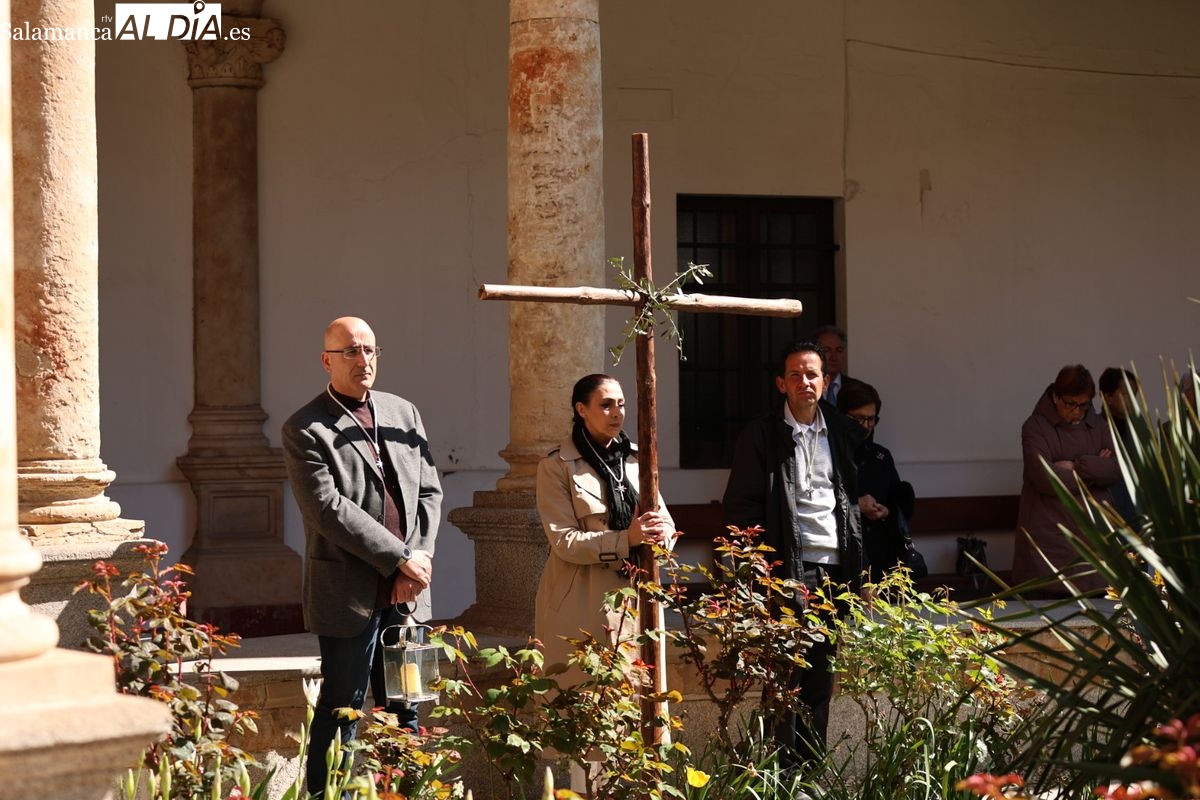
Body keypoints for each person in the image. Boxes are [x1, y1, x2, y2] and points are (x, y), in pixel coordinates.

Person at [282, 316, 442, 797]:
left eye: (370, 350)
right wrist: (399, 558)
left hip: (408, 590)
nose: (363, 360)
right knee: (343, 707)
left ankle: (403, 793)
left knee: (405, 706)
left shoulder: (403, 413)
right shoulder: (305, 428)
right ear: (326, 360)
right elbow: (327, 509)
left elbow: (430, 491)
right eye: (350, 351)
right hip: (349, 592)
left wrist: (418, 560)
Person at [722, 341, 864, 763]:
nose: (805, 382)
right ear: (781, 384)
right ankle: (780, 773)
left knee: (821, 676)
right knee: (784, 675)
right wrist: (755, 572)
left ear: (826, 381)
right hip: (785, 569)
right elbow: (741, 507)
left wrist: (862, 571)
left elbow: (851, 505)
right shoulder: (762, 435)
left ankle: (809, 775)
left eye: (812, 374)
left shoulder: (842, 431)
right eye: (796, 375)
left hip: (834, 569)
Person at [535, 374, 675, 683]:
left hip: (639, 592)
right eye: (606, 405)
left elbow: (664, 519)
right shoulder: (556, 466)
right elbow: (564, 541)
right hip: (583, 598)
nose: (617, 413)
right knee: (587, 691)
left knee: (642, 691)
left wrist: (662, 535)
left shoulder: (638, 458)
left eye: (621, 404)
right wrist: (627, 539)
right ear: (582, 409)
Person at [1011, 365, 1119, 596]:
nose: (1078, 412)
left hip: (1094, 537)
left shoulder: (1100, 425)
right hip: (1050, 537)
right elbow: (1045, 478)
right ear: (1056, 397)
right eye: (1071, 404)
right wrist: (1094, 468)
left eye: (1084, 405)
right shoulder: (1035, 427)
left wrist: (1075, 465)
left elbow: (1116, 469)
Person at [837, 380, 915, 583]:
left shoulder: (881, 456)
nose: (865, 426)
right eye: (858, 418)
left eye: (871, 419)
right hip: (842, 557)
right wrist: (856, 505)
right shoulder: (830, 454)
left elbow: (897, 499)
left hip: (880, 559)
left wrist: (886, 511)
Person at [1098, 367, 1139, 528]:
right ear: (1107, 396)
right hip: (1106, 520)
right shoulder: (1093, 431)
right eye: (1126, 394)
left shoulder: (1141, 433)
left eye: (1134, 394)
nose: (1132, 400)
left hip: (1138, 520)